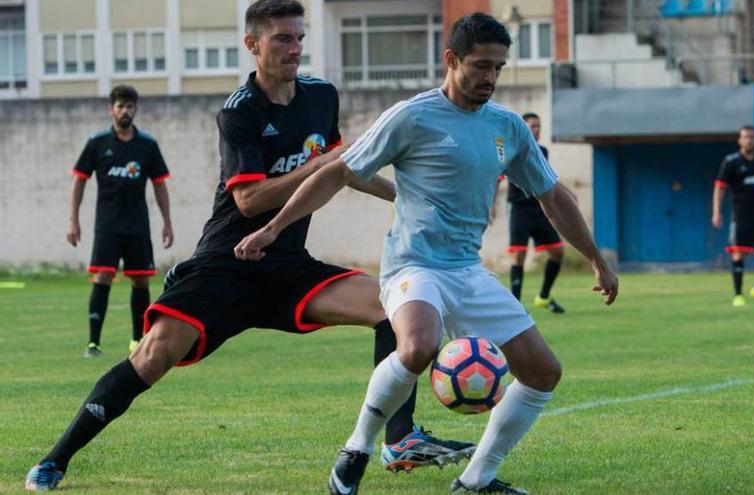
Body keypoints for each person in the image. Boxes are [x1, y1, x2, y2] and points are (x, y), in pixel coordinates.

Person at [25, 1, 470, 491]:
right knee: (150, 359)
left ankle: (399, 438)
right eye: (282, 38)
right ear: (252, 45)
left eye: (299, 38)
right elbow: (251, 198)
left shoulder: (322, 97)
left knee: (395, 307)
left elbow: (348, 167)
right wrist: (318, 167)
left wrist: (410, 198)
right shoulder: (237, 112)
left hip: (287, 266)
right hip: (225, 264)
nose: (295, 49)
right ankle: (55, 460)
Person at [234, 12, 618, 494]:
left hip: (466, 271)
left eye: (498, 67)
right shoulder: (411, 116)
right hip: (412, 266)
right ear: (451, 60)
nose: (490, 78)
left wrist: (597, 258)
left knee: (543, 372)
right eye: (480, 65)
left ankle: (476, 480)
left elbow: (553, 195)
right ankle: (357, 447)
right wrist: (273, 229)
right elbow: (338, 172)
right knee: (418, 346)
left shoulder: (508, 127)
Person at [68, 84, 174, 357]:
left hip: (138, 225)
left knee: (140, 281)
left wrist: (167, 222)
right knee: (103, 276)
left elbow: (159, 184)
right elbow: (79, 180)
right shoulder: (98, 143)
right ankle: (93, 343)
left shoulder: (147, 145)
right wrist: (73, 221)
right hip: (108, 226)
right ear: (111, 109)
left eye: (130, 107)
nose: (125, 111)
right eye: (120, 106)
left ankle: (137, 341)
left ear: (135, 110)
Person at [493, 112, 566, 314]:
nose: (536, 129)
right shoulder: (511, 149)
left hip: (540, 208)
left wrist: (568, 194)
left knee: (558, 252)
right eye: (532, 126)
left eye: (538, 126)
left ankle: (543, 297)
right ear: (523, 129)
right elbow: (497, 178)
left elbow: (549, 178)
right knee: (519, 256)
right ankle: (515, 305)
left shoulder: (542, 151)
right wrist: (492, 206)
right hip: (519, 209)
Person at [711, 125, 754, 307]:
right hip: (741, 216)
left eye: (751, 137)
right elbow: (719, 188)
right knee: (739, 254)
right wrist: (716, 211)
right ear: (739, 140)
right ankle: (738, 295)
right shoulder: (731, 161)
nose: (748, 140)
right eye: (745, 137)